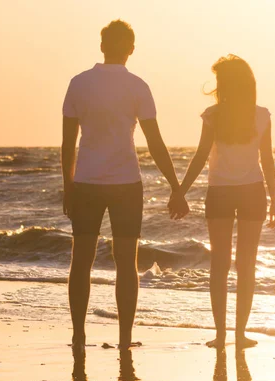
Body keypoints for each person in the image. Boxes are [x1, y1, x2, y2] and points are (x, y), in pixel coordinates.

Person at [61, 20, 188, 356]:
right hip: (125, 184)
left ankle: (78, 335)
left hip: (86, 182)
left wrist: (67, 186)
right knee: (126, 263)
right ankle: (123, 338)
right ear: (130, 48)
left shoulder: (79, 83)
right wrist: (176, 186)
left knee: (82, 260)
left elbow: (67, 143)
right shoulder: (137, 86)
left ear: (102, 46)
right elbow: (155, 142)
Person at [169, 55, 275, 349]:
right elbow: (266, 161)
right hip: (251, 191)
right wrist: (274, 199)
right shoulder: (260, 115)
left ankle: (221, 336)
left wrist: (181, 190)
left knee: (220, 264)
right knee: (246, 265)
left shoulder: (215, 115)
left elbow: (201, 156)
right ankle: (239, 335)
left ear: (229, 84)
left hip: (221, 191)